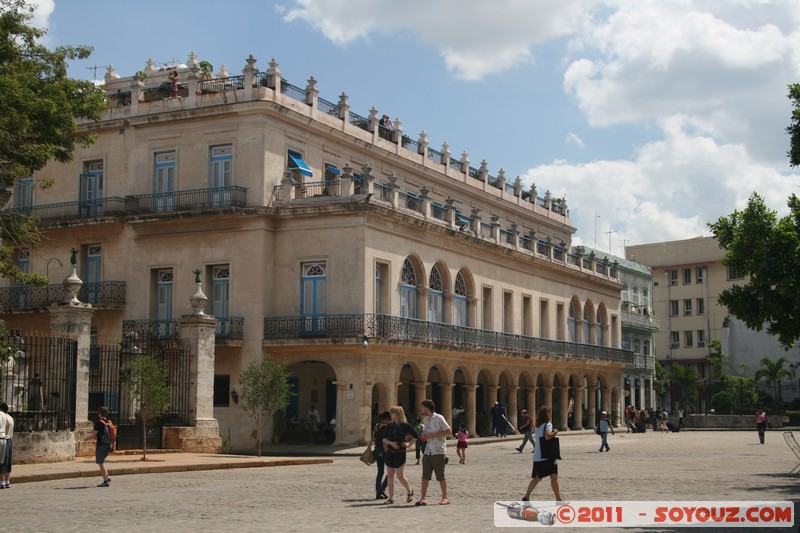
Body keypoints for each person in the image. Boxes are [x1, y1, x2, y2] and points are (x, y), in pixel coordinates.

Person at [522, 405, 562, 502]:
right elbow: (548, 436)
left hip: (538, 456)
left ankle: (526, 496)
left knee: (537, 478)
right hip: (547, 456)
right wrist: (555, 432)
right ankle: (558, 499)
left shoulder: (538, 426)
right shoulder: (548, 424)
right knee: (553, 477)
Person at [416, 398, 451, 506]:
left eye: (422, 407)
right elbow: (426, 433)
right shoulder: (426, 420)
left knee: (440, 476)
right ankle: (423, 498)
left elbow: (449, 431)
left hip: (438, 451)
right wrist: (423, 435)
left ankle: (445, 498)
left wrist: (434, 435)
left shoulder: (439, 418)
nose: (420, 409)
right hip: (427, 451)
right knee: (425, 476)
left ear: (427, 408)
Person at [381, 405, 418, 504]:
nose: (390, 414)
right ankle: (391, 497)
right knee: (390, 476)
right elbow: (383, 438)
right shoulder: (389, 425)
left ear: (397, 414)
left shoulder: (405, 425)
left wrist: (409, 445)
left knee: (400, 475)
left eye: (392, 412)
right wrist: (391, 443)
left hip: (400, 453)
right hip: (390, 453)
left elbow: (416, 436)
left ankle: (410, 491)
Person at [85, 406, 113, 487]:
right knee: (102, 461)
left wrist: (86, 439)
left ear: (99, 414)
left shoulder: (99, 423)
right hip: (108, 445)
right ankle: (107, 477)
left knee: (101, 463)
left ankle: (105, 481)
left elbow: (94, 435)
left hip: (101, 445)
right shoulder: (109, 422)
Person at [372, 411, 390, 499]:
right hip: (383, 450)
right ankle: (381, 489)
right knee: (392, 470)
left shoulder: (377, 425)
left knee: (380, 472)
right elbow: (384, 440)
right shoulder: (385, 427)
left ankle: (378, 491)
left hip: (377, 450)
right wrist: (386, 451)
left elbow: (375, 438)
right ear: (386, 419)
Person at [0, 403, 11, 488]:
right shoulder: (5, 415)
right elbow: (8, 424)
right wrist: (5, 434)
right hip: (4, 438)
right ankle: (3, 482)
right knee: (3, 461)